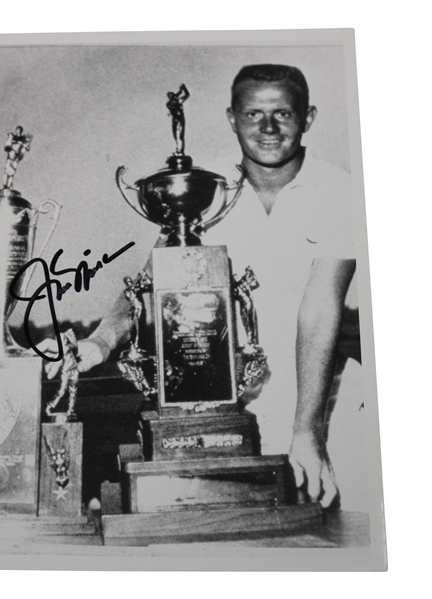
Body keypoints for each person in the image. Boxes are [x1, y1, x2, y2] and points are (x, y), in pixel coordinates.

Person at [39, 65, 358, 509]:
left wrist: (307, 429)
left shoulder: (341, 190)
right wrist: (101, 339)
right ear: (232, 118)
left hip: (322, 397)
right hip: (226, 404)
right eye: (252, 115)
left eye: (282, 114)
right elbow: (152, 282)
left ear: (308, 117)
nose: (267, 128)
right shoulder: (206, 191)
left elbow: (320, 309)